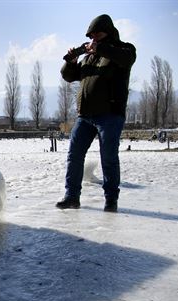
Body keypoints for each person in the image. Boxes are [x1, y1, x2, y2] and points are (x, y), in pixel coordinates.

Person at [56, 14, 136, 212]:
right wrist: (72, 61)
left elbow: (126, 59)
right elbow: (68, 76)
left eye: (97, 34)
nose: (93, 39)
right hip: (85, 116)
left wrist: (100, 48)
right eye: (91, 36)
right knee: (74, 156)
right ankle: (72, 196)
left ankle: (111, 200)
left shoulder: (124, 49)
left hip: (109, 114)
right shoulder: (89, 57)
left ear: (108, 32)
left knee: (108, 157)